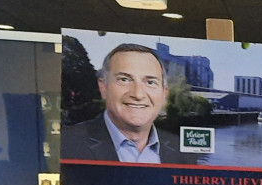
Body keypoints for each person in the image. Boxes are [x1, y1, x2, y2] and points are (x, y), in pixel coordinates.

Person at [61, 43, 193, 163]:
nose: (138, 94)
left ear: (164, 94)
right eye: (124, 79)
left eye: (150, 82)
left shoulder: (184, 153)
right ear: (103, 87)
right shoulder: (65, 144)